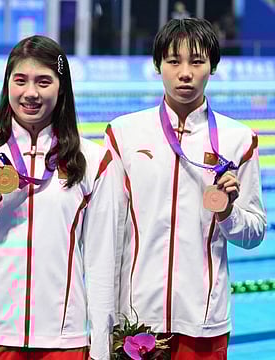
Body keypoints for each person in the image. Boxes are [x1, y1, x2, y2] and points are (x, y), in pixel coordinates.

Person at [0, 35, 119, 360]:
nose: (31, 93)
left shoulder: (94, 161)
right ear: (7, 85)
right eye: (20, 80)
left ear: (61, 87)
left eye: (44, 81)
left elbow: (101, 262)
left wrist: (100, 346)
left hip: (63, 341)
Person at [105, 18, 266, 359]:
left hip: (204, 319)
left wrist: (227, 213)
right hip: (136, 320)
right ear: (157, 65)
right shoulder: (123, 134)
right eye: (173, 61)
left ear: (213, 66)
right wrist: (104, 317)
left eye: (197, 61)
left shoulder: (239, 140)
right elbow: (108, 232)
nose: (185, 73)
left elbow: (255, 233)